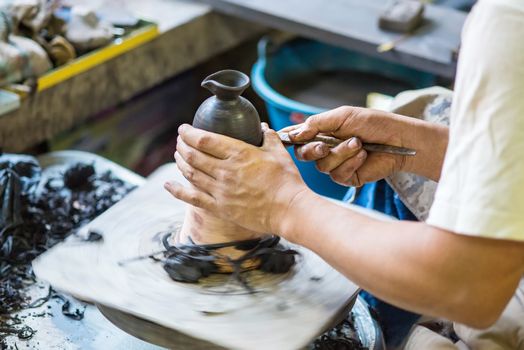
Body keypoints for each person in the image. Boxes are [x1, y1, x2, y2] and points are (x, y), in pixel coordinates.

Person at [164, 0, 524, 348]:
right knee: (424, 116)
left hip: (492, 302)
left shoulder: (509, 21)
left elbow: (468, 288)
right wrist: (420, 146)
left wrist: (284, 205)